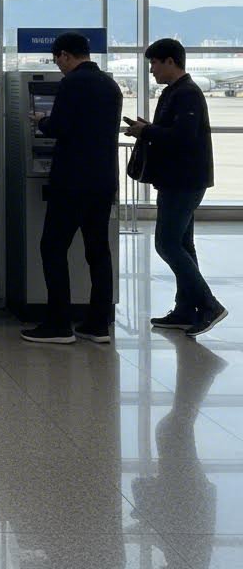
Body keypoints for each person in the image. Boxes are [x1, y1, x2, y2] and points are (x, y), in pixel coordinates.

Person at [21, 32, 122, 345]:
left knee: (52, 248)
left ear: (65, 55)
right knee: (98, 251)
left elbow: (60, 127)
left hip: (72, 182)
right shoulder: (111, 84)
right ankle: (97, 323)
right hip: (103, 180)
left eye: (57, 60)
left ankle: (59, 323)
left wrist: (41, 120)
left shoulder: (72, 84)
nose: (58, 66)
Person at [125, 38, 225, 338]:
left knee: (166, 243)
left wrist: (147, 131)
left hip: (185, 181)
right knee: (183, 244)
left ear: (170, 61)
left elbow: (183, 136)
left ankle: (209, 305)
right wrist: (148, 129)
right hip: (177, 178)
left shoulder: (188, 94)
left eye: (154, 64)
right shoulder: (174, 93)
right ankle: (184, 309)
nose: (152, 71)